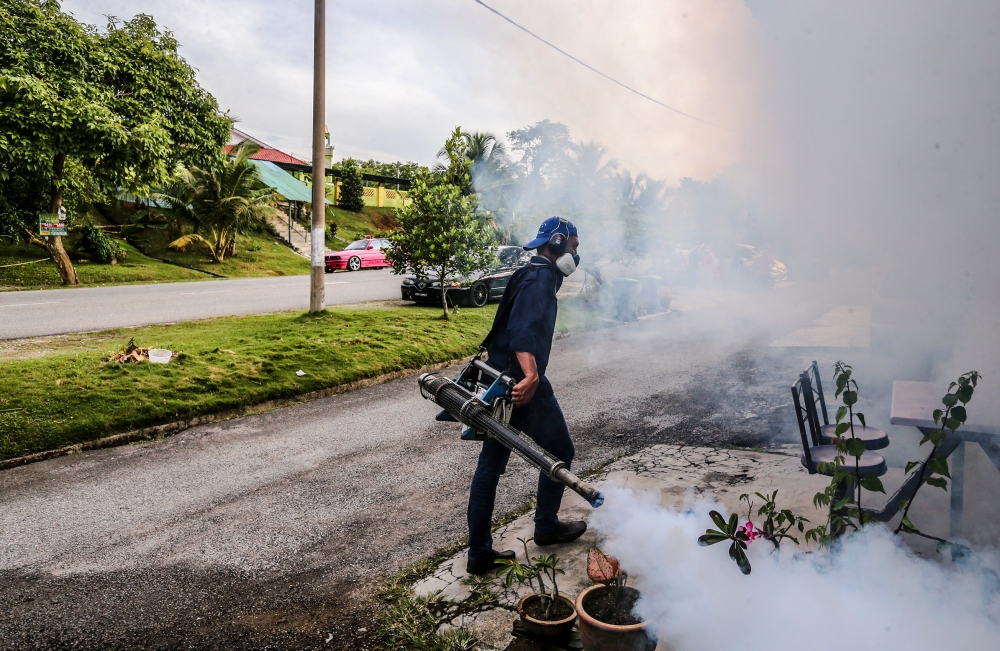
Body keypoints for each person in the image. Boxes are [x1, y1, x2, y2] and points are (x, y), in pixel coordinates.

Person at [466, 216, 586, 575]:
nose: (577, 256)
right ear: (559, 242)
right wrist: (532, 375)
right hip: (519, 384)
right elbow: (521, 332)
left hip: (499, 381)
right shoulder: (541, 277)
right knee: (561, 450)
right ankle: (546, 526)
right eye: (575, 248)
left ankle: (479, 553)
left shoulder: (529, 270)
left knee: (489, 466)